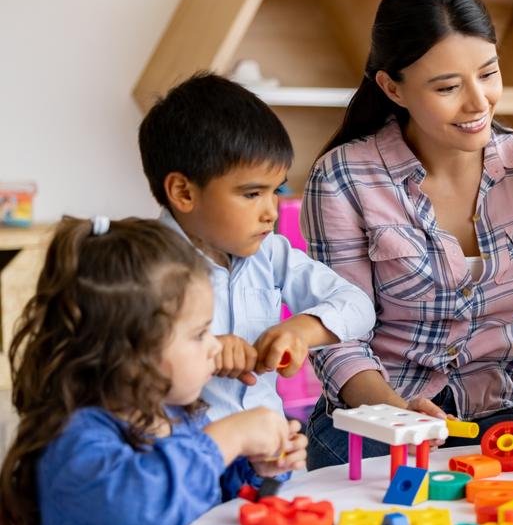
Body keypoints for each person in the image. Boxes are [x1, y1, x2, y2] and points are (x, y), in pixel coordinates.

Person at [302, 0, 513, 469]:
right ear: (392, 88)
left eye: (488, 73)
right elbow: (338, 337)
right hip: (381, 413)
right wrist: (396, 411)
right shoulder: (344, 175)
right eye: (448, 87)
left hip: (504, 408)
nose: (478, 103)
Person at [0, 216, 306, 525]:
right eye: (199, 334)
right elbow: (139, 503)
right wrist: (225, 439)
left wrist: (258, 471)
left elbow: (212, 505)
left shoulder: (181, 419)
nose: (215, 346)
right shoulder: (75, 439)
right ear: (130, 352)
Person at [138, 73, 376, 419]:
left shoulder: (270, 253)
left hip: (267, 453)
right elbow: (120, 366)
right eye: (252, 194)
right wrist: (204, 351)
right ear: (184, 193)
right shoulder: (140, 265)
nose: (271, 211)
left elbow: (358, 306)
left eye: (275, 191)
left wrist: (298, 331)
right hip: (186, 460)